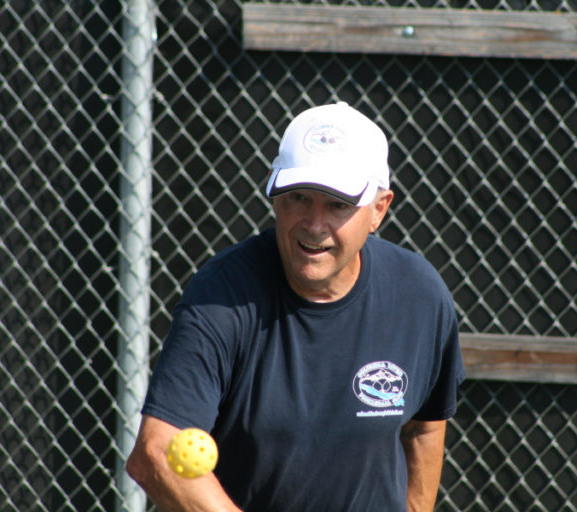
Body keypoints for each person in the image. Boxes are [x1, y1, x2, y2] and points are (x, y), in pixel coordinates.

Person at [126, 101, 465, 511]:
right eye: (299, 197)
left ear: (379, 209)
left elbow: (424, 429)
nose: (314, 223)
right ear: (273, 192)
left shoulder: (419, 296)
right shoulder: (223, 294)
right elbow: (157, 452)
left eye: (338, 204)